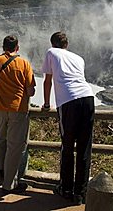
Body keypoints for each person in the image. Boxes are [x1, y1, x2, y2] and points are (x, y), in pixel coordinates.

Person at [42, 31, 95, 205]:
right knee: (84, 147)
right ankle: (80, 194)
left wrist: (47, 103)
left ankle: (65, 189)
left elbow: (48, 80)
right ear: (67, 44)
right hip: (88, 98)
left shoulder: (51, 53)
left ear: (53, 44)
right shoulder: (79, 58)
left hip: (68, 101)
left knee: (67, 145)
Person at [0, 35, 35, 194]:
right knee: (15, 146)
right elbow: (30, 91)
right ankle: (9, 183)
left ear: (3, 46)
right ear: (17, 48)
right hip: (17, 109)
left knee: (0, 139)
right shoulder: (24, 64)